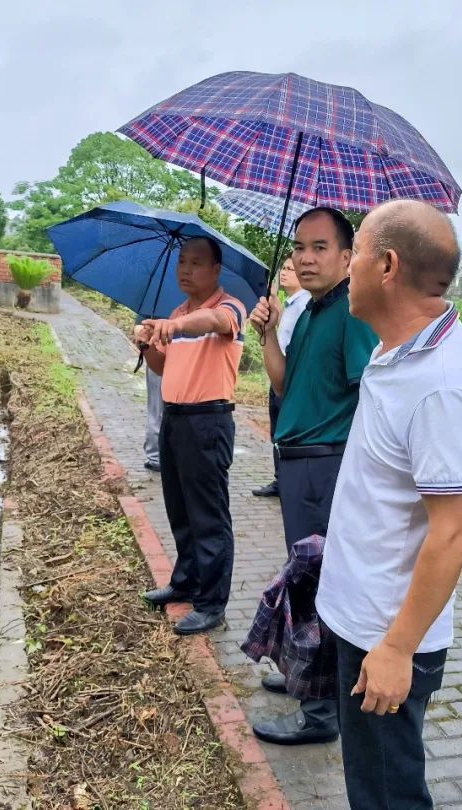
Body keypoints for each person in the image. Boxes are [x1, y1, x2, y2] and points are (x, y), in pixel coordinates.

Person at [316, 200, 462, 808]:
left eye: (357, 251)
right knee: (370, 782)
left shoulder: (442, 384)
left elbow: (451, 533)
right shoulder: (398, 349)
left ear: (386, 265)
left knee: (389, 794)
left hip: (387, 634)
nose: (347, 267)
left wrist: (397, 648)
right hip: (361, 615)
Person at [248, 207, 378, 746]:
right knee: (306, 581)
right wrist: (271, 333)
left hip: (326, 464)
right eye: (300, 246)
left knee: (318, 584)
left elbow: (370, 390)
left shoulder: (351, 313)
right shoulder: (314, 313)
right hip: (298, 460)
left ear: (348, 257)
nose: (305, 256)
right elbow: (285, 388)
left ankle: (321, 714)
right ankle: (307, 679)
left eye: (320, 247)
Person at [135, 237, 247, 636]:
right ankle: (185, 582)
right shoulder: (178, 311)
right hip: (176, 420)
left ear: (216, 270)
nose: (186, 270)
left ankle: (211, 603)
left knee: (209, 517)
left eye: (196, 263)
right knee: (180, 509)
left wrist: (175, 326)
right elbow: (164, 368)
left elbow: (216, 325)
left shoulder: (229, 308)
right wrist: (148, 344)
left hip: (208, 422)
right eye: (182, 262)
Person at [252, 258, 308, 497]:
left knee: (283, 434)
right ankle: (280, 479)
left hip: (289, 380)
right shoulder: (292, 304)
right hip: (278, 377)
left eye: (290, 269)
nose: (284, 273)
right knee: (276, 432)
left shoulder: (305, 305)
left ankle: (284, 481)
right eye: (283, 269)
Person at [133, 313, 164, 472]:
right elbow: (139, 328)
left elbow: (138, 327)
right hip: (158, 358)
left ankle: (155, 456)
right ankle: (156, 456)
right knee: (158, 409)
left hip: (173, 360)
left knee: (157, 409)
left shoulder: (158, 298)